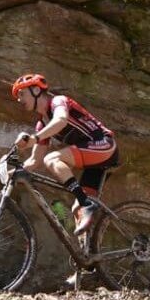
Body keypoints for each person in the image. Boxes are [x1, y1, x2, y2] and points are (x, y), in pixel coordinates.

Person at [10, 73, 119, 235]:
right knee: (77, 212)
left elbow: (61, 120)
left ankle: (86, 202)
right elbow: (34, 160)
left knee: (52, 158)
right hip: (93, 161)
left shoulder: (57, 101)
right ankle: (88, 256)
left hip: (104, 145)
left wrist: (35, 138)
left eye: (22, 94)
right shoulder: (42, 124)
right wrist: (11, 172)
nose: (19, 100)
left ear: (35, 90)